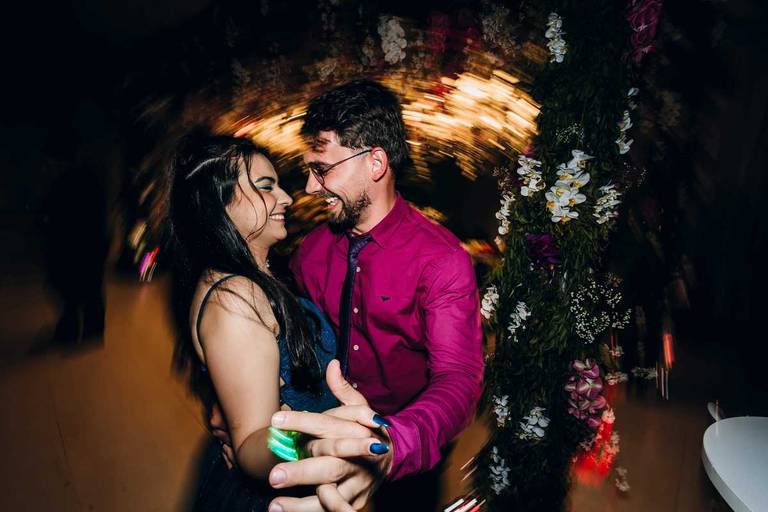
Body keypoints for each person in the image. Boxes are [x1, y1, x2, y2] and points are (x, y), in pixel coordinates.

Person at [266, 79, 485, 511]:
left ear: (376, 162)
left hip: (409, 456)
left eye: (322, 169)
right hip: (322, 436)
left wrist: (392, 443)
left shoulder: (441, 260)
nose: (310, 187)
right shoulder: (312, 251)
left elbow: (459, 379)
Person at [169, 135, 391, 511]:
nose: (286, 198)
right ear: (217, 204)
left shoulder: (251, 280)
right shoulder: (234, 296)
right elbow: (251, 448)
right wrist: (311, 443)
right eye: (266, 187)